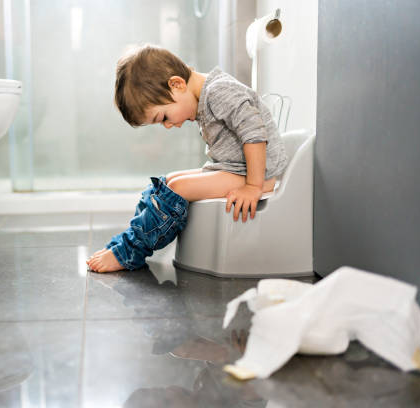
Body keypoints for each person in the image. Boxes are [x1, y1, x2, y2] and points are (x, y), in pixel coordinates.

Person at [86, 44, 288, 273]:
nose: (169, 125)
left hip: (257, 174)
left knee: (178, 188)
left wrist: (253, 186)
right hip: (236, 169)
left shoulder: (218, 91)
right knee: (167, 183)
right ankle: (128, 241)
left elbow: (254, 133)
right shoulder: (209, 93)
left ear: (177, 84)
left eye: (163, 117)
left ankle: (130, 251)